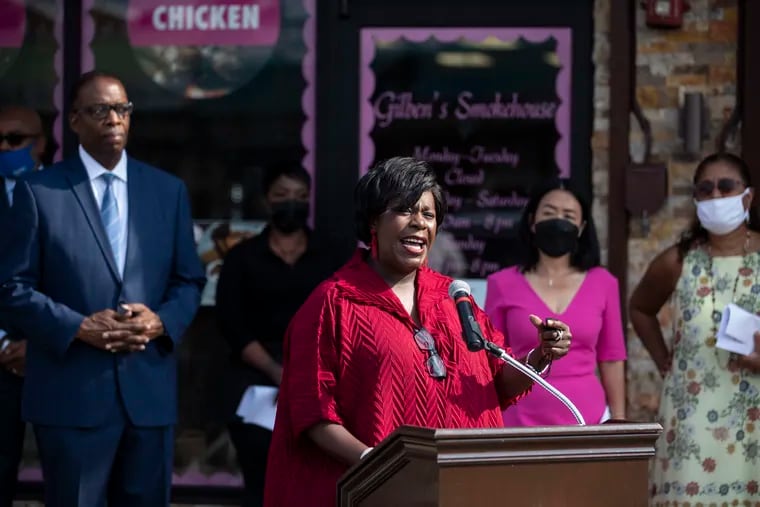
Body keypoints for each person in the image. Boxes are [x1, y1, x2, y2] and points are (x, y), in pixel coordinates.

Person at [262, 157, 573, 507]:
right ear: (372, 222)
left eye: (428, 214)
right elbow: (312, 413)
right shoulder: (332, 303)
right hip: (380, 491)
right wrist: (377, 464)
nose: (419, 223)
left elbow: (495, 383)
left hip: (465, 489)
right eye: (404, 210)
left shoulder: (455, 299)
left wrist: (539, 355)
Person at [0, 71, 206, 507]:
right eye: (100, 110)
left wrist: (160, 321)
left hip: (147, 397)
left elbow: (189, 281)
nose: (114, 118)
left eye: (122, 108)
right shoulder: (39, 192)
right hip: (72, 396)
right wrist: (77, 327)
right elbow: (13, 287)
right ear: (74, 121)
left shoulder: (167, 191)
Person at [630, 152, 760, 506]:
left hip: (753, 412)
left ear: (747, 196)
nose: (716, 196)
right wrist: (663, 362)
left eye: (726, 186)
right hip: (691, 413)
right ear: (696, 200)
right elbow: (640, 308)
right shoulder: (678, 261)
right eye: (705, 189)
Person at [215, 164, 345, 507]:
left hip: (320, 377)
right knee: (262, 482)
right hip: (255, 380)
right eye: (282, 196)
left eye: (301, 197)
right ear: (266, 201)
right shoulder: (242, 258)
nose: (292, 204)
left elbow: (345, 319)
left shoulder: (333, 255)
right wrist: (277, 371)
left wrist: (303, 374)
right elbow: (232, 324)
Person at [485, 180, 627, 426]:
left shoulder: (603, 282)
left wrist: (620, 421)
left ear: (581, 228)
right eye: (549, 213)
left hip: (587, 421)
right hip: (518, 422)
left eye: (568, 215)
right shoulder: (501, 283)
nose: (558, 220)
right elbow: (491, 360)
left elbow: (612, 357)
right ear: (532, 221)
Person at [0, 105, 46, 507]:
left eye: (14, 140)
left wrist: (41, 343)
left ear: (41, 145)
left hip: (57, 358)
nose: (4, 148)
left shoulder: (70, 193)